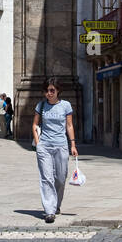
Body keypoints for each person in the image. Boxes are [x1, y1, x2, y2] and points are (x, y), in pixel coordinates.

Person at [33, 79, 77, 223]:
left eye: (52, 90)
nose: (49, 93)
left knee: (60, 177)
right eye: (47, 91)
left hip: (61, 145)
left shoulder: (66, 106)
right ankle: (49, 210)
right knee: (46, 178)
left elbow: (69, 126)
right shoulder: (41, 106)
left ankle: (56, 204)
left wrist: (73, 145)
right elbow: (35, 125)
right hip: (44, 146)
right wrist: (38, 144)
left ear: (58, 91)